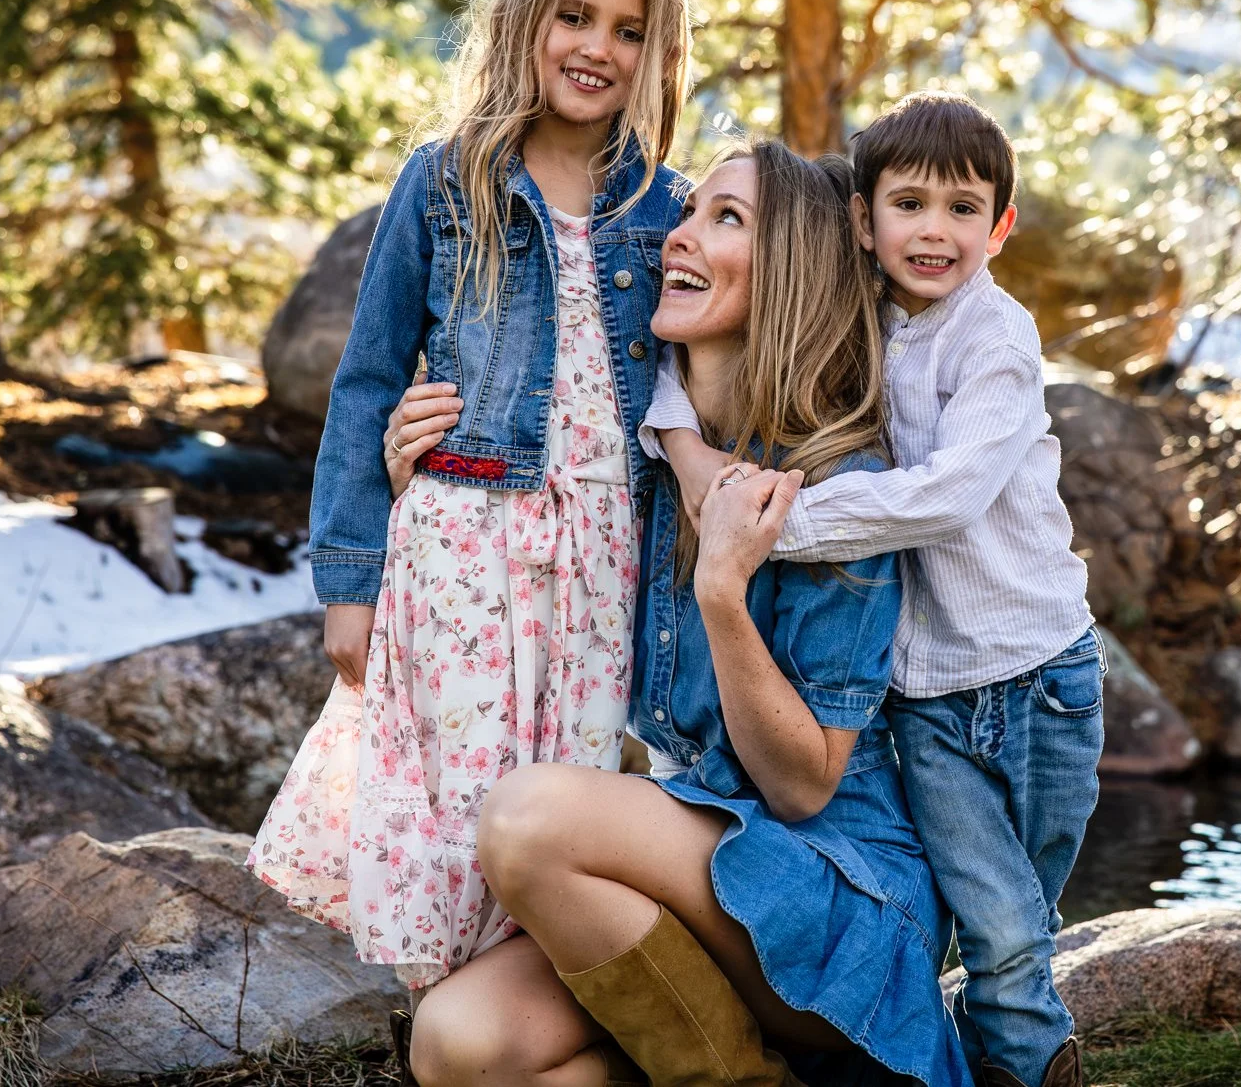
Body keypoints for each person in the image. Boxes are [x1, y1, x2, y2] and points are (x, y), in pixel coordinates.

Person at [384, 142, 973, 1087]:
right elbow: (515, 572)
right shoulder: (640, 455)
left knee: (531, 820)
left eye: (727, 219)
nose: (679, 237)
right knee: (460, 1042)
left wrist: (722, 594)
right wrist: (424, 480)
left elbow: (803, 787)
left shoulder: (836, 486)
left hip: (836, 895)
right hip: (687, 878)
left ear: (795, 273)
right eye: (692, 209)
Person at [246, 0, 694, 990]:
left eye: (629, 31)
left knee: (566, 794)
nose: (597, 48)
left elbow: (700, 387)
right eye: (575, 16)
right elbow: (362, 385)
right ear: (525, 20)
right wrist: (348, 581)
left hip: (603, 560)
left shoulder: (666, 205)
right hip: (460, 544)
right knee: (455, 799)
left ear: (657, 54)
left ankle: (534, 1020)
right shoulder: (445, 180)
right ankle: (443, 1024)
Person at [649, 92, 1104, 1087]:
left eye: (961, 209)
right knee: (991, 926)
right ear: (863, 222)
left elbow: (949, 497)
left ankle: (1026, 1066)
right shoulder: (860, 311)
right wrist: (685, 454)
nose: (933, 231)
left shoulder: (995, 340)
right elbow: (685, 364)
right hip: (929, 701)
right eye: (908, 205)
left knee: (1014, 933)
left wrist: (769, 532)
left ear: (1001, 227)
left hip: (1037, 682)